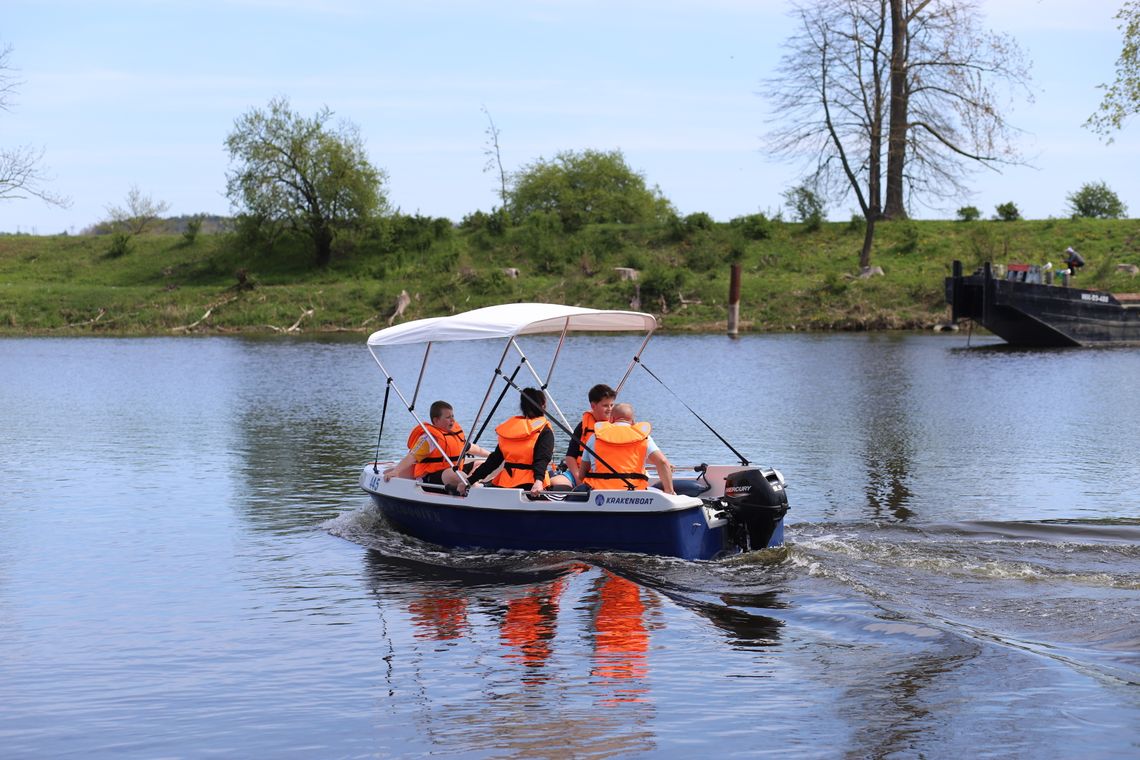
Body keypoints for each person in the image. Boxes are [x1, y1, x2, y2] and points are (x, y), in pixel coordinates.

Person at [465, 387, 554, 494]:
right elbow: (542, 459)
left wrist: (470, 481)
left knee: (488, 483)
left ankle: (482, 485)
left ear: (522, 407)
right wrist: (539, 481)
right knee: (562, 488)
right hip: (531, 485)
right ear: (543, 405)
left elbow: (494, 461)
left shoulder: (510, 431)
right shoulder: (545, 431)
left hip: (505, 484)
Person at [384, 400, 490, 489]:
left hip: (456, 472)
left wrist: (492, 456)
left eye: (453, 416)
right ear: (436, 420)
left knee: (485, 463)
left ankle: (476, 485)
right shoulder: (430, 438)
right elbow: (412, 456)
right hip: (432, 477)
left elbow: (472, 448)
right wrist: (396, 471)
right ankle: (476, 487)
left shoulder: (454, 434)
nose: (452, 420)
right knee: (454, 474)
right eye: (448, 417)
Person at [579, 402, 675, 494]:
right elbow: (662, 462)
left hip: (599, 493)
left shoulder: (595, 436)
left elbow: (582, 474)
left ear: (611, 419)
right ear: (632, 421)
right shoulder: (643, 437)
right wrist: (669, 491)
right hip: (634, 494)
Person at [561, 383, 616, 486]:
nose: (610, 409)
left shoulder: (617, 425)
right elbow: (570, 456)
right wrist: (578, 479)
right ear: (593, 406)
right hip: (579, 473)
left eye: (612, 405)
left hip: (606, 475)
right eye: (605, 405)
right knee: (556, 483)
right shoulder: (583, 426)